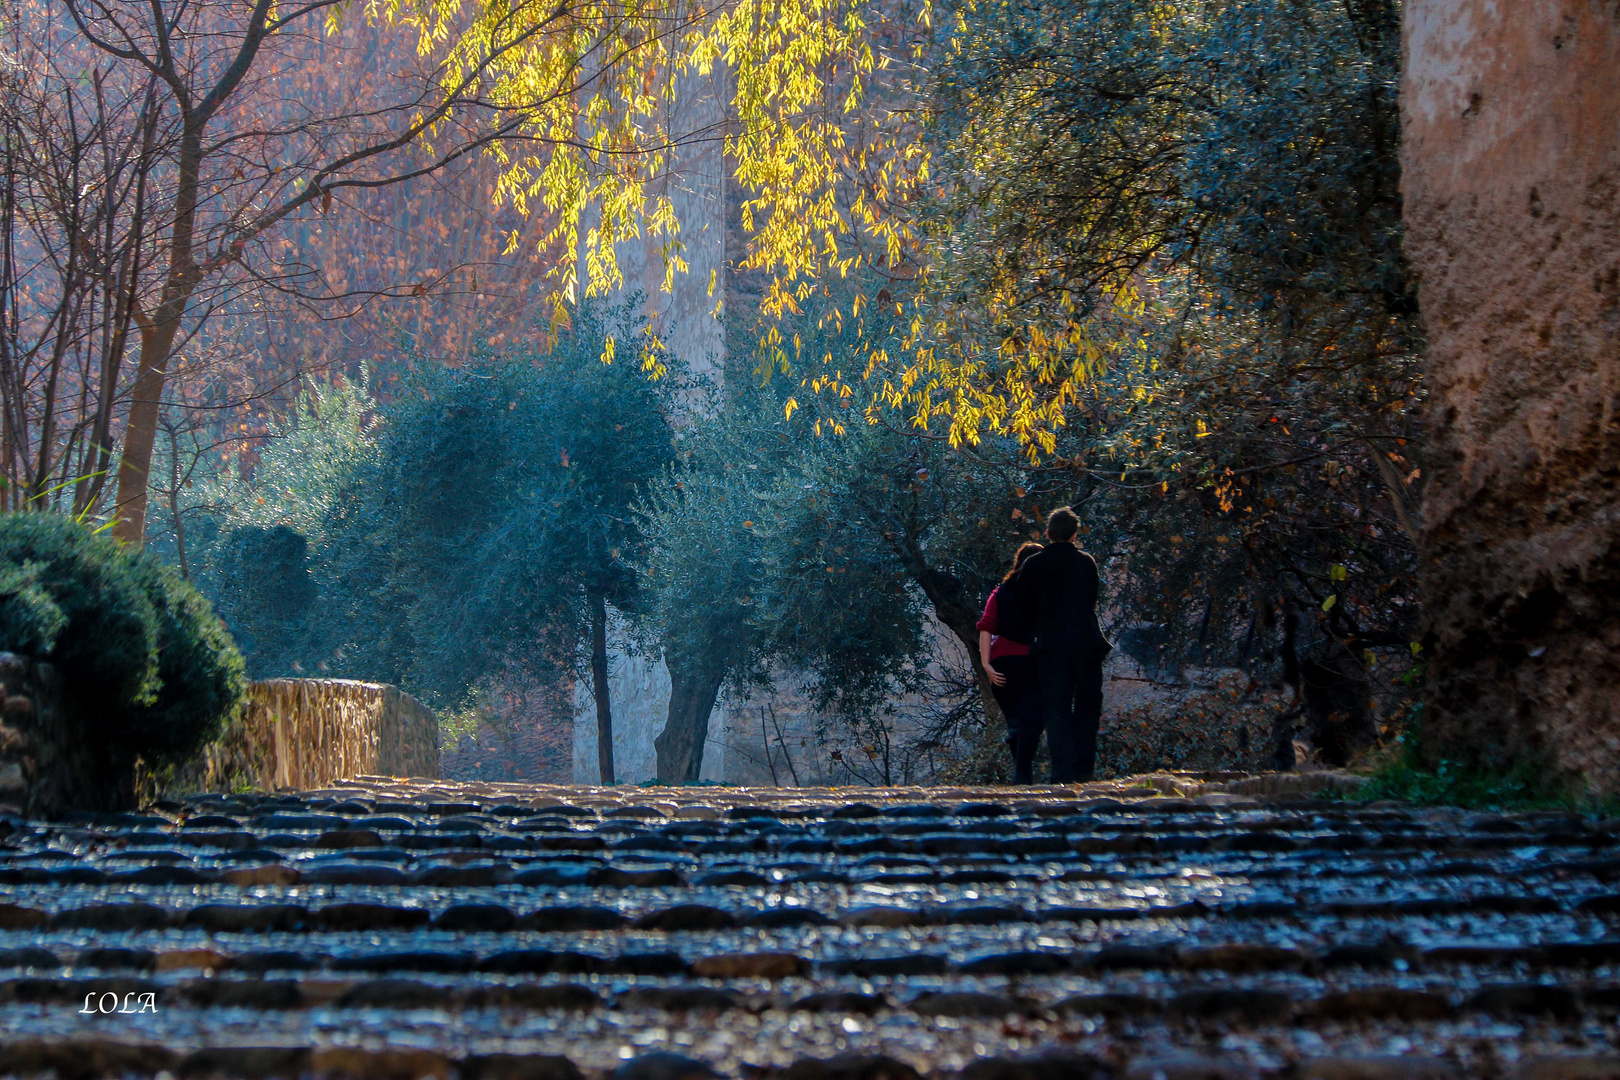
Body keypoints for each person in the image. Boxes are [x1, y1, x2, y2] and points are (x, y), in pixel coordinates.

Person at [1011, 506, 1112, 783]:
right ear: (1074, 535)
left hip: (1050, 647)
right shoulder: (1086, 562)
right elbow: (1091, 600)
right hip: (1085, 644)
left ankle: (1062, 774)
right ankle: (1084, 770)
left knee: (1056, 709)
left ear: (1048, 533)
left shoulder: (1033, 564)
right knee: (1088, 706)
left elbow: (1023, 607)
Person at [976, 542, 1043, 783]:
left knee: (1016, 721)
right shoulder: (1041, 593)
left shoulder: (1001, 592)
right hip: (1029, 663)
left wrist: (986, 664)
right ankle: (1022, 775)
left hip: (1002, 664)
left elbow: (985, 627)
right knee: (1033, 720)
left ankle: (1021, 776)